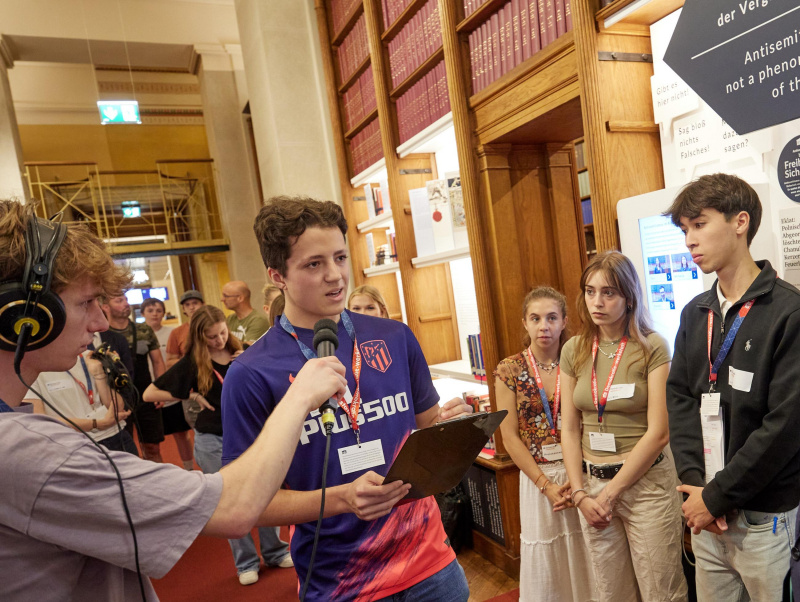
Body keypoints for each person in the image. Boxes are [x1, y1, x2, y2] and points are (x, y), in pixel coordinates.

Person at [0, 199, 348, 599]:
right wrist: (300, 396)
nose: (98, 322)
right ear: (20, 316)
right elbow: (235, 507)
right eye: (85, 303)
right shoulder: (24, 452)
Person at [221, 195, 472, 601]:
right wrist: (341, 499)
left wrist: (452, 427)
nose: (335, 275)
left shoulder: (394, 336)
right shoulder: (251, 372)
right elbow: (247, 503)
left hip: (430, 565)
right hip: (341, 581)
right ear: (277, 275)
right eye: (314, 264)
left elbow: (426, 427)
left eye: (340, 257)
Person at [665, 173, 800, 601]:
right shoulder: (695, 313)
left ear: (740, 222)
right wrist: (696, 489)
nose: (689, 239)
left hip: (761, 516)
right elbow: (682, 401)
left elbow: (785, 426)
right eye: (685, 229)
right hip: (705, 511)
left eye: (699, 224)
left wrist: (718, 496)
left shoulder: (788, 311)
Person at [560, 250, 687, 602]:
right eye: (590, 291)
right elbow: (570, 429)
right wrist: (580, 493)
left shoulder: (652, 347)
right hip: (592, 485)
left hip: (646, 486)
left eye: (608, 293)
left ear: (629, 297)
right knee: (610, 592)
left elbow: (660, 432)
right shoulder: (574, 349)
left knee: (661, 592)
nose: (596, 302)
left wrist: (611, 493)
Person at [144, 305, 293, 585]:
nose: (219, 340)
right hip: (214, 440)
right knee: (228, 502)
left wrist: (249, 362)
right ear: (200, 337)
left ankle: (275, 551)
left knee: (268, 492)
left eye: (222, 333)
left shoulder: (247, 351)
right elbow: (149, 392)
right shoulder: (192, 363)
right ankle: (246, 562)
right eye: (211, 337)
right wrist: (191, 396)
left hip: (255, 436)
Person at [494, 286, 596, 602]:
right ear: (525, 323)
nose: (544, 326)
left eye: (552, 317)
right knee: (548, 561)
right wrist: (545, 485)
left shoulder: (581, 360)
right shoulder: (509, 369)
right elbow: (509, 437)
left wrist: (575, 476)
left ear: (564, 321)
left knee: (586, 553)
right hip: (537, 479)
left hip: (580, 473)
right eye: (536, 318)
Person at [25, 351, 137, 454]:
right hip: (77, 445)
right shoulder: (30, 368)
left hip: (117, 436)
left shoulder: (88, 356)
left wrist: (99, 374)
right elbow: (41, 421)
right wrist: (97, 423)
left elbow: (118, 408)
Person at [101, 293, 166, 462]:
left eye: (126, 300)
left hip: (146, 394)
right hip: (116, 398)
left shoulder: (144, 330)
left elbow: (158, 362)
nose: (126, 304)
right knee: (123, 449)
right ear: (105, 307)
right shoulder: (101, 335)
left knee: (152, 447)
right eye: (119, 301)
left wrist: (161, 389)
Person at [141, 297, 194, 471]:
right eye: (150, 311)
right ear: (142, 314)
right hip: (150, 389)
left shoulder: (172, 332)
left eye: (158, 310)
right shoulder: (139, 334)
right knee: (151, 440)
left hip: (171, 388)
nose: (155, 314)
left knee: (181, 433)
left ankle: (188, 468)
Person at [221, 280, 270, 345]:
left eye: (226, 296)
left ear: (240, 298)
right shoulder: (230, 318)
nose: (222, 299)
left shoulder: (258, 320)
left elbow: (248, 348)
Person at [166, 289, 204, 368]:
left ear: (203, 305)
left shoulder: (214, 326)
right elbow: (169, 362)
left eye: (195, 303)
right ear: (184, 309)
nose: (191, 307)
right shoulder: (176, 332)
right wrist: (190, 361)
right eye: (187, 305)